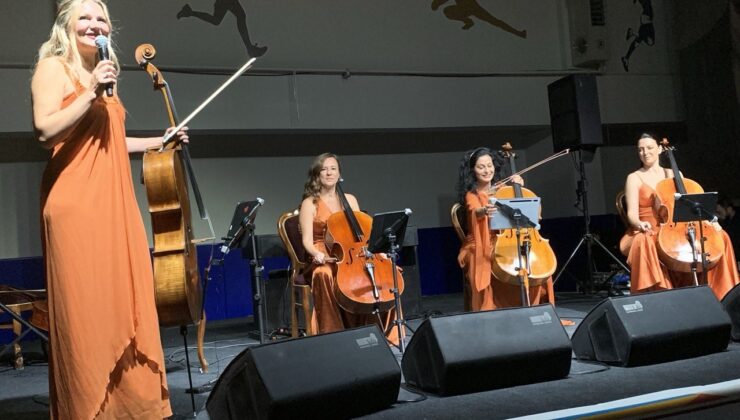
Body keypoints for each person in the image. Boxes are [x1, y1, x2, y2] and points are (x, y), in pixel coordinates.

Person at [31, 1, 188, 418]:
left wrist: (160, 140)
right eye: (84, 17)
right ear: (66, 24)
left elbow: (111, 139)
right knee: (88, 311)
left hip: (115, 202)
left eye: (101, 19)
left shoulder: (107, 74)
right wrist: (91, 91)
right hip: (75, 204)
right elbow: (46, 129)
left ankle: (131, 409)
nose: (94, 25)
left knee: (128, 301)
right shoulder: (53, 67)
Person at [619, 134, 739, 299]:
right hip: (647, 229)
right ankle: (656, 295)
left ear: (660, 149)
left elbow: (687, 205)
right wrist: (640, 224)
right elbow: (632, 213)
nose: (644, 152)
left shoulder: (674, 174)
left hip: (673, 228)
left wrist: (710, 221)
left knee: (721, 236)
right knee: (644, 241)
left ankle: (722, 294)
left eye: (649, 148)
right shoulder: (634, 178)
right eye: (640, 149)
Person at [298, 153, 402, 344]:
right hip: (322, 251)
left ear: (339, 174)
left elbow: (361, 233)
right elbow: (307, 241)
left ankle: (379, 330)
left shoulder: (350, 200)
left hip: (350, 252)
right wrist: (317, 255)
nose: (329, 173)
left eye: (333, 169)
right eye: (324, 169)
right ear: (317, 174)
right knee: (324, 274)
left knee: (389, 271)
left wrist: (379, 253)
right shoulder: (309, 203)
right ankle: (333, 333)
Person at [456, 147, 555, 311]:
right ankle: (489, 308)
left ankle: (534, 308)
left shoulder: (504, 190)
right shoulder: (472, 195)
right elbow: (475, 211)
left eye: (489, 165)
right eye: (481, 167)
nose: (487, 170)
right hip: (479, 242)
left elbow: (530, 213)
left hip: (506, 237)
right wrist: (484, 211)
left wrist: (519, 189)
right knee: (480, 260)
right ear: (473, 170)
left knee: (537, 261)